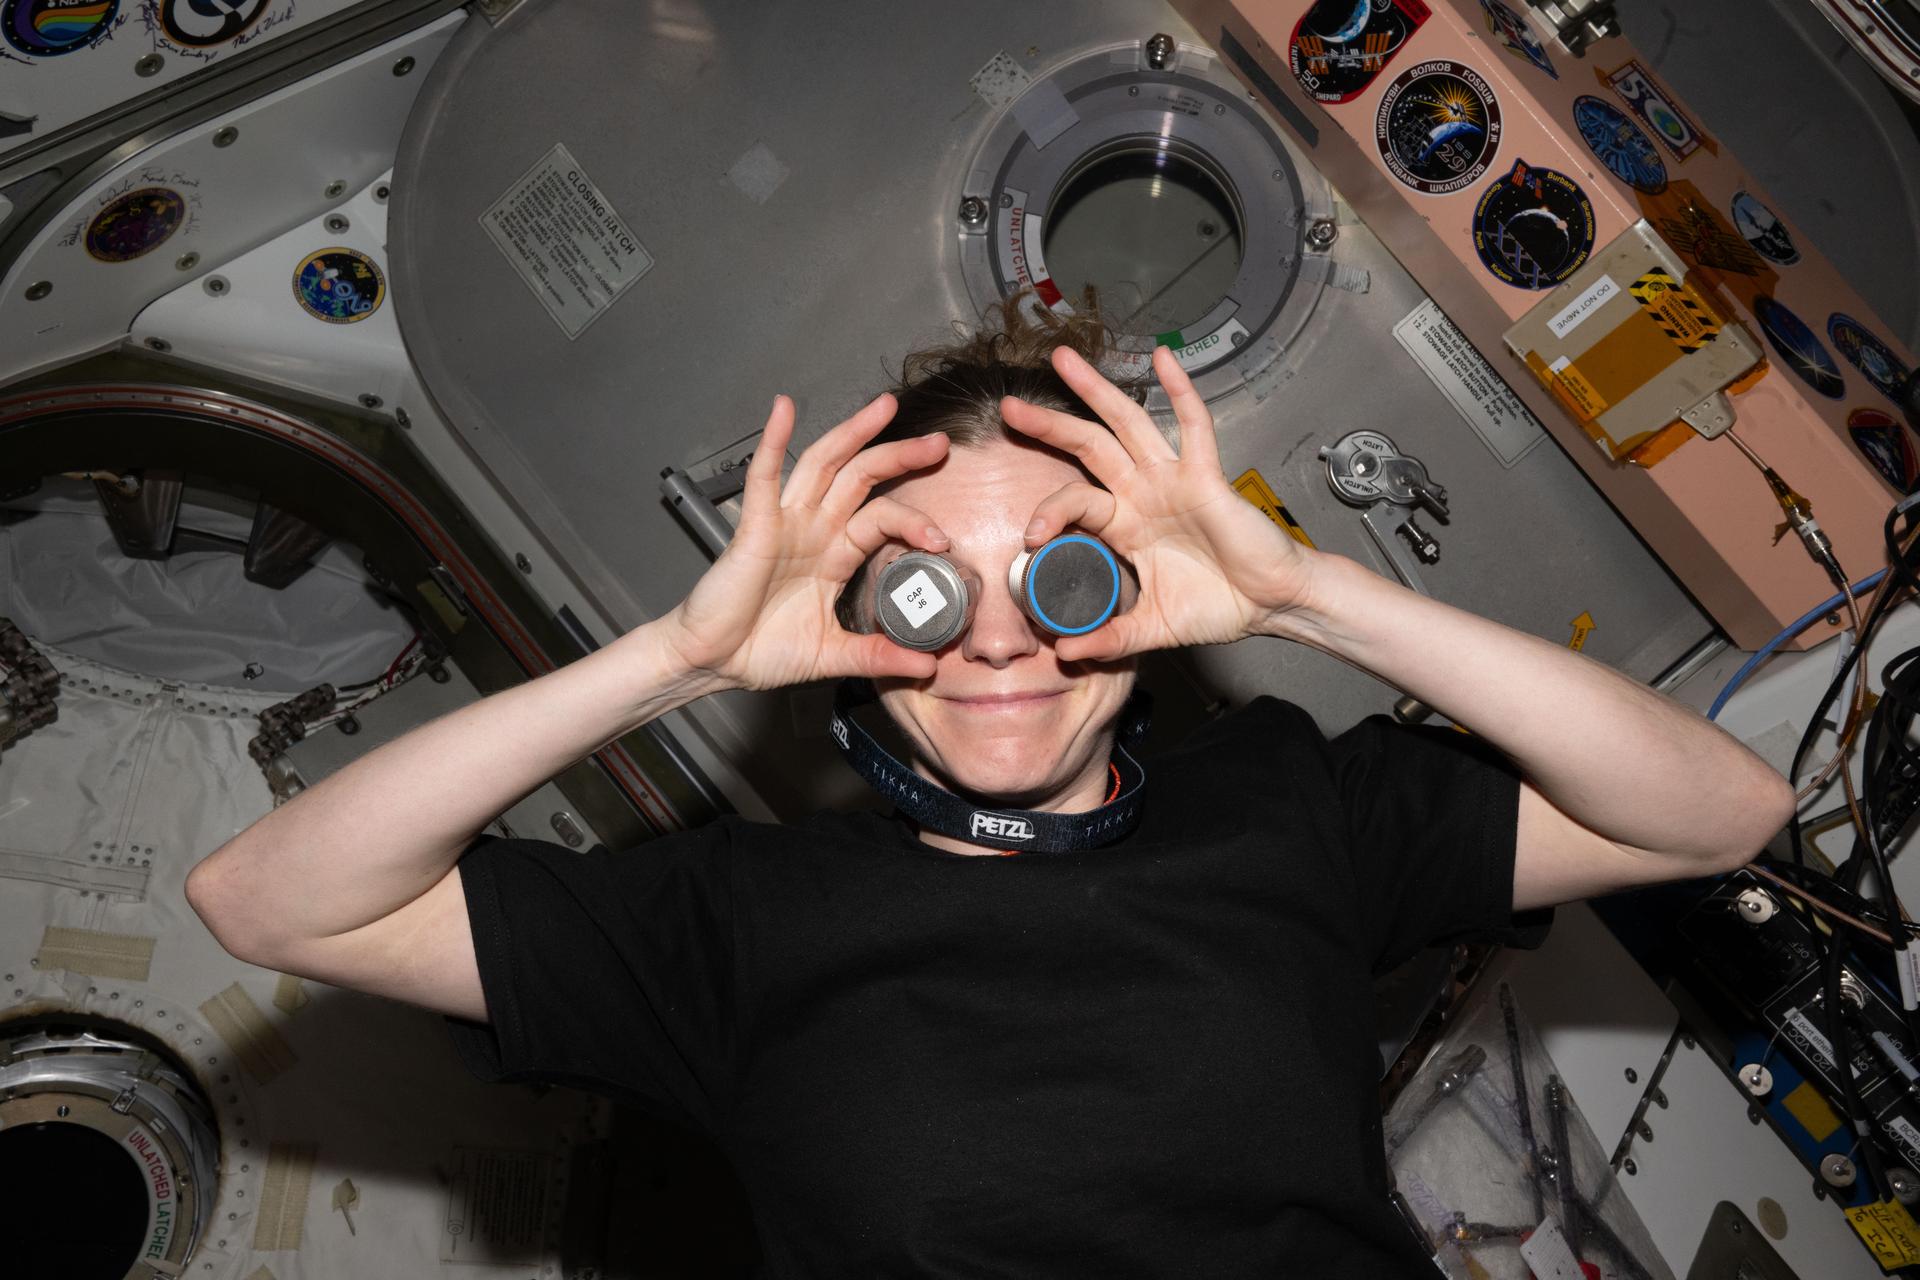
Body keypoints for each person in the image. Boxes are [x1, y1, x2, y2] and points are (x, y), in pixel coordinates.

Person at [186, 301, 1793, 1275]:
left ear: (1145, 595)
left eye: (1068, 574)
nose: (1004, 639)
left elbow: (1717, 812)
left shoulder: (1288, 803)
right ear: (854, 624)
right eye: (929, 590)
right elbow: (265, 901)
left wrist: (1309, 597)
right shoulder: (733, 922)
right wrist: (680, 656)